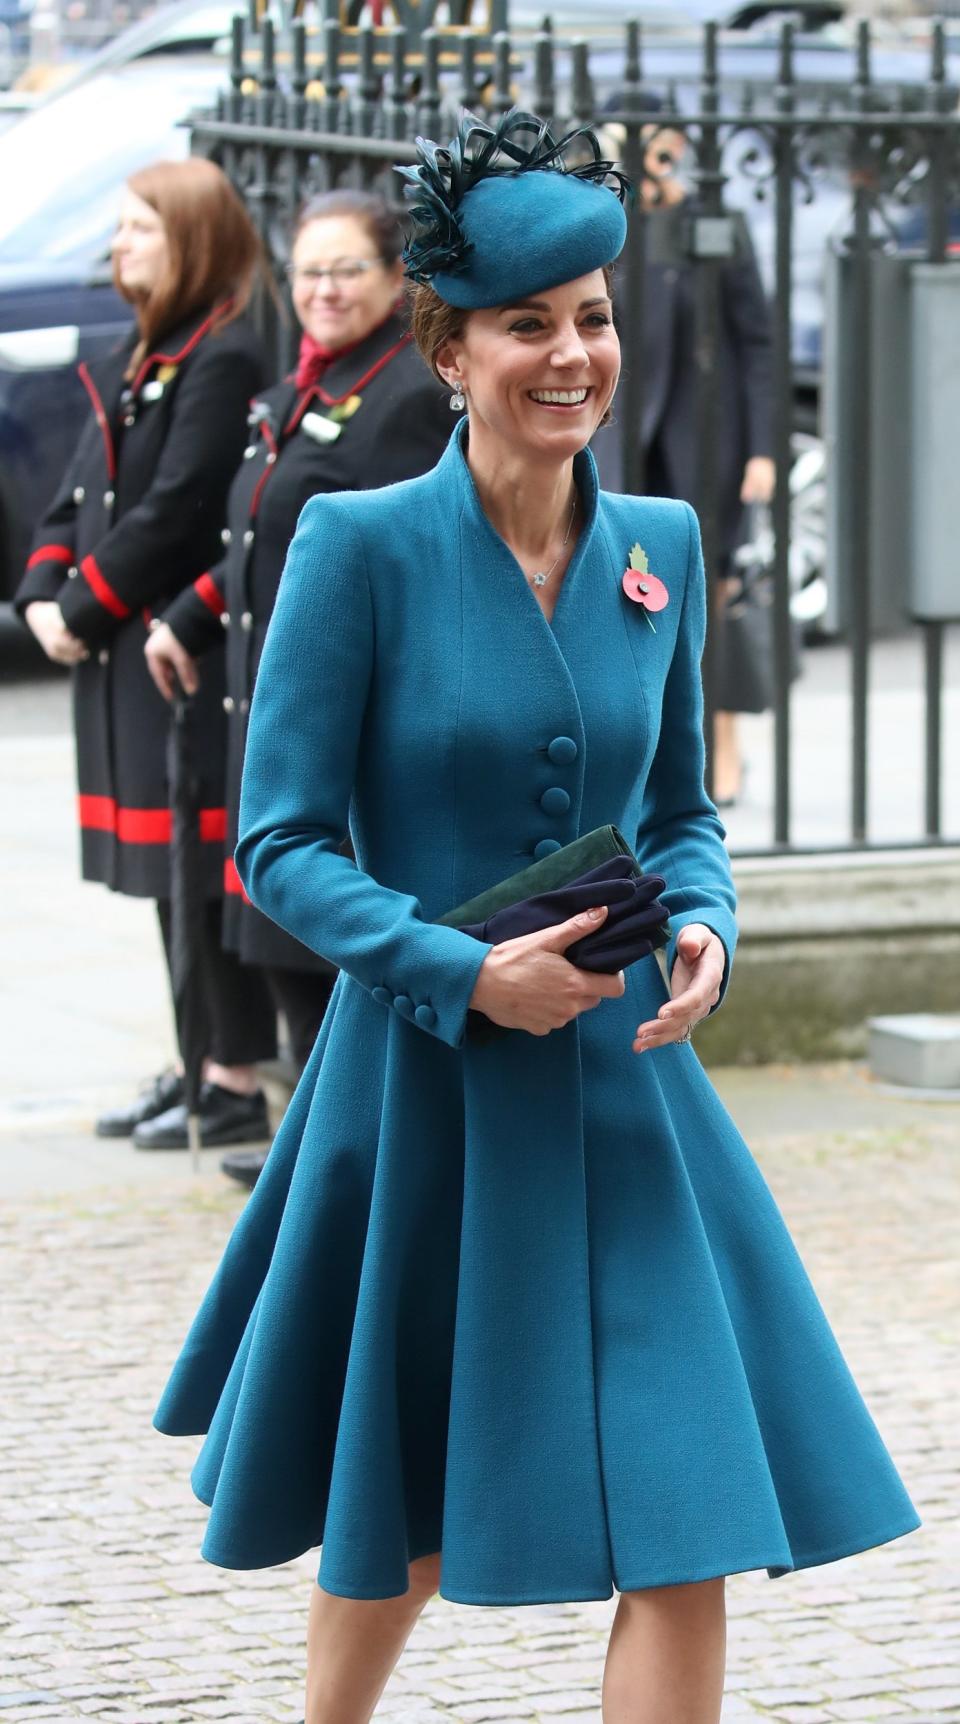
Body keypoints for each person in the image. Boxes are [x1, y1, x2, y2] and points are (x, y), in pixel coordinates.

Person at [154, 113, 919, 1724]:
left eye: (593, 315)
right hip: (423, 1092)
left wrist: (708, 922)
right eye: (529, 325)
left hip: (629, 1087)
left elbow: (681, 819)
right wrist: (456, 971)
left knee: (686, 1513)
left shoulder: (661, 543)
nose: (574, 355)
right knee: (405, 1517)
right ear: (446, 346)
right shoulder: (356, 550)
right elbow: (277, 845)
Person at [143, 188, 453, 1189]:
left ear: (397, 280)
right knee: (272, 928)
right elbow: (260, 537)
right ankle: (321, 1149)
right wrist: (193, 615)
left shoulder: (404, 395)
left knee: (327, 947)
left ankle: (350, 1163)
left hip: (343, 713)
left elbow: (400, 567)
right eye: (308, 270)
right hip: (262, 697)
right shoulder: (306, 388)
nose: (321, 288)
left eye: (345, 269)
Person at [15, 158, 278, 1149]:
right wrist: (45, 586)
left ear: (192, 243)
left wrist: (86, 606)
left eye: (138, 229)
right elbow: (84, 489)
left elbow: (177, 507)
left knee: (199, 864)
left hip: (178, 648)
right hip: (126, 650)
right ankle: (195, 1054)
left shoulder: (222, 355)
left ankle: (228, 1073)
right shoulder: (147, 347)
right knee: (163, 871)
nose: (118, 246)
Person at [597, 98, 777, 805]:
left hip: (709, 434)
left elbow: (757, 342)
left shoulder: (714, 222)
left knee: (715, 594)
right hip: (625, 434)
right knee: (625, 593)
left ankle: (723, 746)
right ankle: (643, 758)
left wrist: (763, 450)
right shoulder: (608, 225)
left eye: (661, 145)